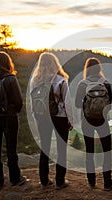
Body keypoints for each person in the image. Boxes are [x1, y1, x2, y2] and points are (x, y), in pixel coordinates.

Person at [30, 52, 73, 189]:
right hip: (60, 117)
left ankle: (44, 180)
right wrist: (70, 120)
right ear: (55, 64)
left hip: (43, 118)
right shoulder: (61, 79)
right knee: (61, 149)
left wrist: (36, 117)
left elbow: (33, 103)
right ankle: (60, 181)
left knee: (45, 148)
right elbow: (68, 102)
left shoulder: (35, 81)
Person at [0, 51, 26, 189]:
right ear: (8, 63)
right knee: (11, 149)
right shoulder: (10, 79)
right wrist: (14, 111)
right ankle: (15, 178)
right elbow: (19, 101)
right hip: (8, 118)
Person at [75, 57, 112, 191]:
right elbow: (110, 104)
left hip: (87, 121)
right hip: (103, 121)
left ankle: (92, 182)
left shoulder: (82, 84)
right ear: (99, 68)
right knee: (107, 151)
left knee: (89, 151)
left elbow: (76, 104)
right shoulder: (106, 83)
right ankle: (108, 183)